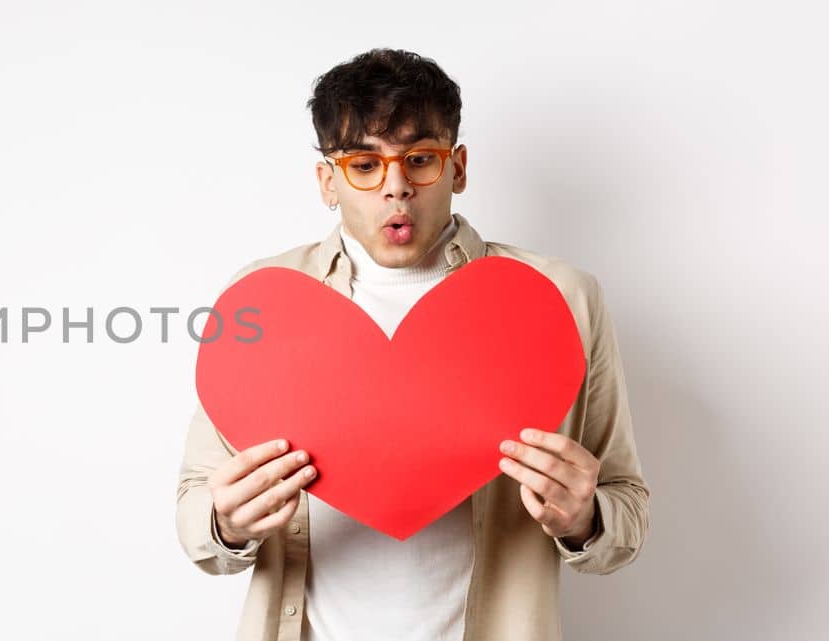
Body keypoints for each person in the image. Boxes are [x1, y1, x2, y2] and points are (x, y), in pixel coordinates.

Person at [173, 48, 650, 641]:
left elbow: (624, 506)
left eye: (420, 160)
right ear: (327, 181)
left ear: (458, 168)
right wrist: (227, 522)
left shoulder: (560, 300)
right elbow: (197, 511)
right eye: (364, 166)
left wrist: (584, 520)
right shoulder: (263, 302)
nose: (396, 189)